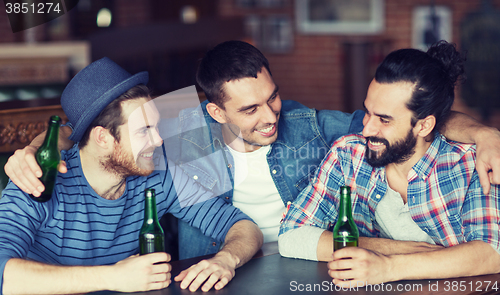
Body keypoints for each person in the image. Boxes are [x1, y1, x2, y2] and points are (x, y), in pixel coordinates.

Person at [5, 40, 500, 261]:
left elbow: (399, 127)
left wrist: (484, 133)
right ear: (215, 112)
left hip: (304, 263)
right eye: (249, 110)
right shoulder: (178, 127)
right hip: (221, 273)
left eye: (273, 97)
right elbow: (98, 130)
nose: (270, 117)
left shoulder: (306, 123)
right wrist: (38, 146)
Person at [0, 57, 263, 295]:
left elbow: (243, 227)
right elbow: (3, 275)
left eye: (156, 127)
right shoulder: (37, 179)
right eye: (144, 131)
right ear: (103, 138)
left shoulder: (159, 175)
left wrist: (225, 260)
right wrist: (112, 277)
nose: (159, 140)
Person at [278, 41, 500, 285]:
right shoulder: (347, 155)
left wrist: (388, 267)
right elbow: (292, 235)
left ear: (424, 125)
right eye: (368, 112)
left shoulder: (469, 164)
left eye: (384, 120)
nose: (367, 128)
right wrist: (387, 249)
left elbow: (492, 252)